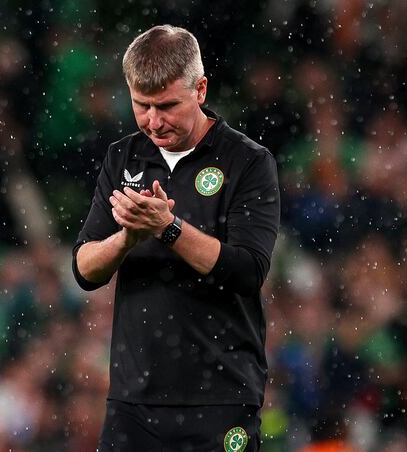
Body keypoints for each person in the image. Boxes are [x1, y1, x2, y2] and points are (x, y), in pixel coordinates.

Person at [71, 25, 280, 451]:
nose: (153, 121)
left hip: (221, 397)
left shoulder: (249, 162)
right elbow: (84, 269)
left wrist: (168, 229)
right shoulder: (122, 156)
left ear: (200, 89)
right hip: (133, 401)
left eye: (167, 105)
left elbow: (247, 270)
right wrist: (127, 239)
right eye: (141, 105)